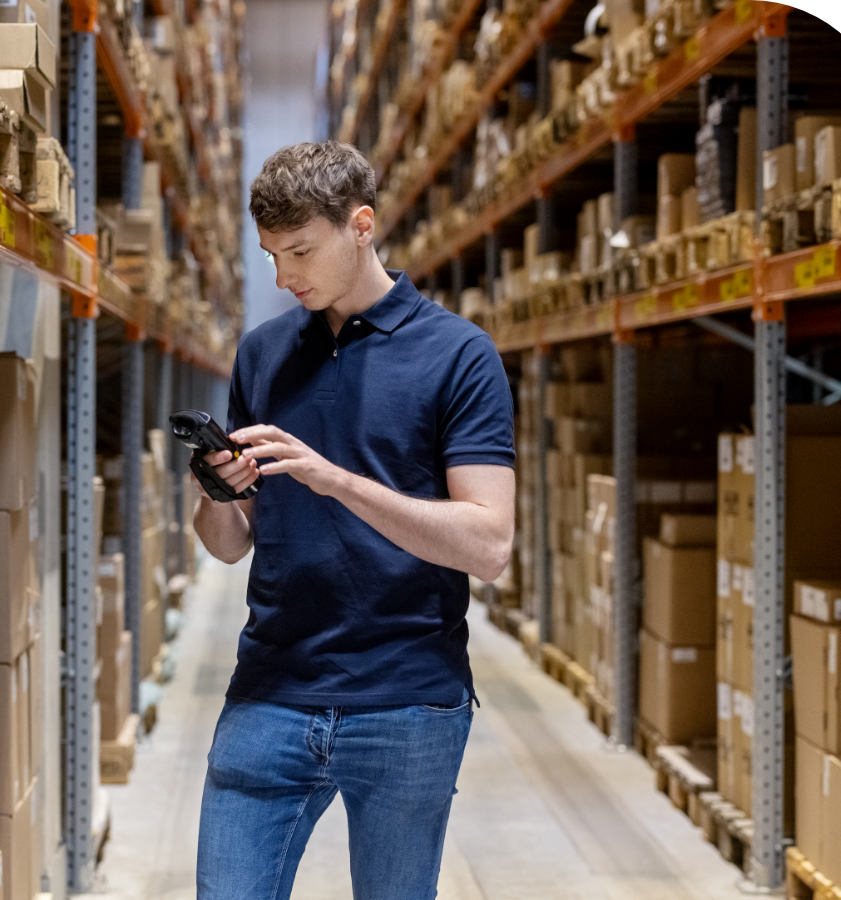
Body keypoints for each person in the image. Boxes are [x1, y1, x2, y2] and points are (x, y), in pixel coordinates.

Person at [191, 140, 516, 900]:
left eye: (300, 250)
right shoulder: (263, 354)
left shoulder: (459, 356)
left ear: (361, 225)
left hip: (406, 698)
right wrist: (216, 491)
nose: (284, 276)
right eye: (272, 255)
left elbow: (489, 543)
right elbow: (228, 544)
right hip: (271, 689)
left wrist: (335, 481)